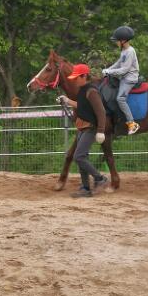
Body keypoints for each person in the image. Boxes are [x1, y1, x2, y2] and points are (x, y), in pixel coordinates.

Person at [58, 64, 109, 198]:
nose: (74, 80)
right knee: (82, 158)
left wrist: (101, 131)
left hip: (90, 128)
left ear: (84, 76)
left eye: (77, 77)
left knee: (78, 156)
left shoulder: (92, 91)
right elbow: (81, 105)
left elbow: (101, 112)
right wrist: (67, 100)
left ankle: (99, 178)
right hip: (82, 128)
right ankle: (86, 188)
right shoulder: (82, 90)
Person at [102, 25, 140, 135]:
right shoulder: (124, 50)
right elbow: (119, 63)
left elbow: (124, 69)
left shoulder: (130, 51)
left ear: (123, 40)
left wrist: (109, 72)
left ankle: (132, 123)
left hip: (129, 79)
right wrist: (108, 69)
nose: (116, 43)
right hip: (124, 77)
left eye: (117, 41)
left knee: (120, 98)